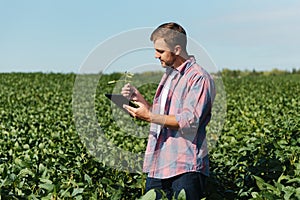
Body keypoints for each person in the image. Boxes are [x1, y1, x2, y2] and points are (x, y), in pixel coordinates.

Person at [121, 22, 215, 200]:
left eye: (161, 51)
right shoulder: (169, 75)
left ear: (177, 49)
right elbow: (162, 116)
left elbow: (189, 121)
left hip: (185, 167)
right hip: (158, 165)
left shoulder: (198, 78)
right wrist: (139, 99)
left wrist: (149, 116)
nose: (156, 56)